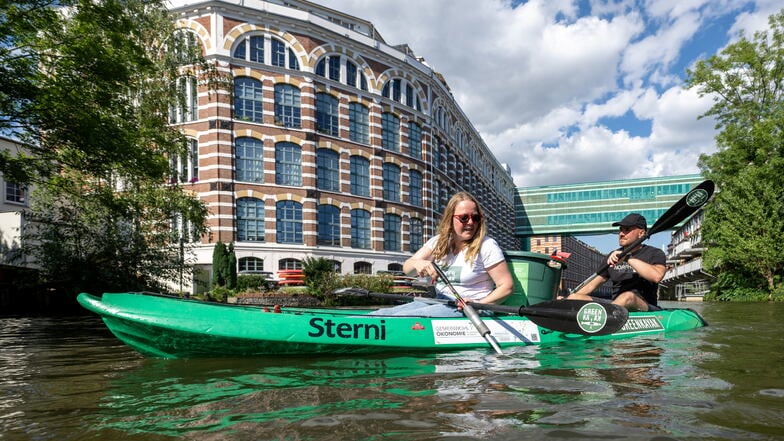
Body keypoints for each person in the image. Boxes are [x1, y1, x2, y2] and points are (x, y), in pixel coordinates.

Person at [370, 191, 513, 317]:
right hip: (438, 302)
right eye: (464, 218)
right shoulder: (438, 242)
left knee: (408, 317)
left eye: (475, 218)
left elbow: (506, 286)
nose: (471, 222)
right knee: (381, 314)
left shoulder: (487, 245)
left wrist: (479, 304)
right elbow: (407, 268)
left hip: (470, 309)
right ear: (450, 218)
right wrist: (418, 263)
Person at [565, 213, 666, 311]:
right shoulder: (612, 255)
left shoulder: (655, 253)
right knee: (574, 297)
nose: (621, 234)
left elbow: (657, 276)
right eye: (621, 229)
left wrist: (627, 258)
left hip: (644, 305)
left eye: (627, 229)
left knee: (627, 297)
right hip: (615, 305)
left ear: (641, 233)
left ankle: (607, 318)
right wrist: (568, 299)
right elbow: (591, 285)